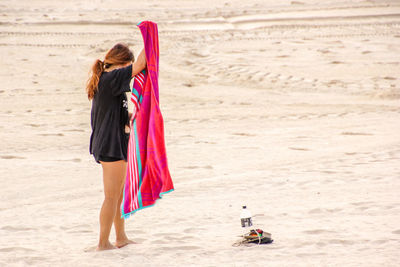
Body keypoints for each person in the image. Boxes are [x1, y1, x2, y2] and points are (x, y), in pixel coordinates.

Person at [86, 43, 146, 251]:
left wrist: (133, 116)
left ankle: (120, 237)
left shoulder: (109, 81)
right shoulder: (111, 79)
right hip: (110, 145)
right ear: (121, 63)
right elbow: (140, 65)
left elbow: (116, 114)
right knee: (111, 197)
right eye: (127, 65)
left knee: (119, 195)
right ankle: (102, 243)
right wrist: (150, 39)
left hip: (115, 142)